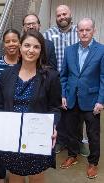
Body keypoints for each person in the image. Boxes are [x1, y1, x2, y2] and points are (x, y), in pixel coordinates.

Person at [0, 30, 61, 183]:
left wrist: (54, 126)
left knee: (36, 178)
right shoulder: (6, 75)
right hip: (12, 138)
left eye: (36, 47)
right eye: (27, 45)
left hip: (37, 138)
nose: (31, 50)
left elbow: (55, 108)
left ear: (41, 50)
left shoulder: (51, 76)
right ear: (20, 47)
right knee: (15, 178)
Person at [59, 18, 104, 179]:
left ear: (94, 31)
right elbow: (63, 76)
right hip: (71, 98)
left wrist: (101, 100)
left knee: (93, 134)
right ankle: (73, 155)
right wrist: (63, 95)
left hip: (92, 101)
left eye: (88, 30)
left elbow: (103, 77)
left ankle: (93, 162)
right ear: (77, 31)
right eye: (81, 30)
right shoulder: (69, 50)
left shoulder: (101, 50)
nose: (84, 33)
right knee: (71, 131)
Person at [43, 5, 88, 156]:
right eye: (59, 15)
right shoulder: (48, 34)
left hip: (76, 79)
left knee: (78, 109)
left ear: (70, 15)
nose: (62, 17)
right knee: (59, 109)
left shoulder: (80, 31)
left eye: (64, 14)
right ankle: (61, 140)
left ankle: (78, 141)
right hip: (55, 79)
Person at [0, 28, 21, 183]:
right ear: (3, 44)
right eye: (7, 41)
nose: (11, 44)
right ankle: (1, 177)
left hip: (21, 112)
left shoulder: (26, 62)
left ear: (20, 42)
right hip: (0, 111)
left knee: (17, 145)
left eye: (14, 40)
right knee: (0, 147)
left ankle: (16, 173)